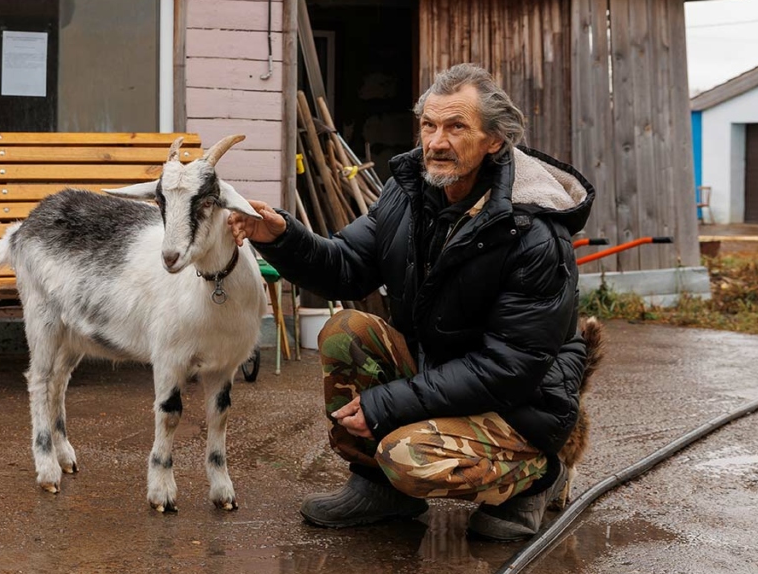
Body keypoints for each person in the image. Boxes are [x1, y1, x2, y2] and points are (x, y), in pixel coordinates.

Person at [228, 63, 595, 541]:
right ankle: (381, 489)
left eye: (456, 126)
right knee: (348, 332)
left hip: (519, 406)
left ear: (495, 141)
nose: (437, 142)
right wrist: (280, 235)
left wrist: (388, 403)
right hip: (442, 373)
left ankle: (537, 476)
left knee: (409, 455)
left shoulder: (533, 231)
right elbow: (345, 264)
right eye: (429, 125)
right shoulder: (409, 194)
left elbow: (509, 367)